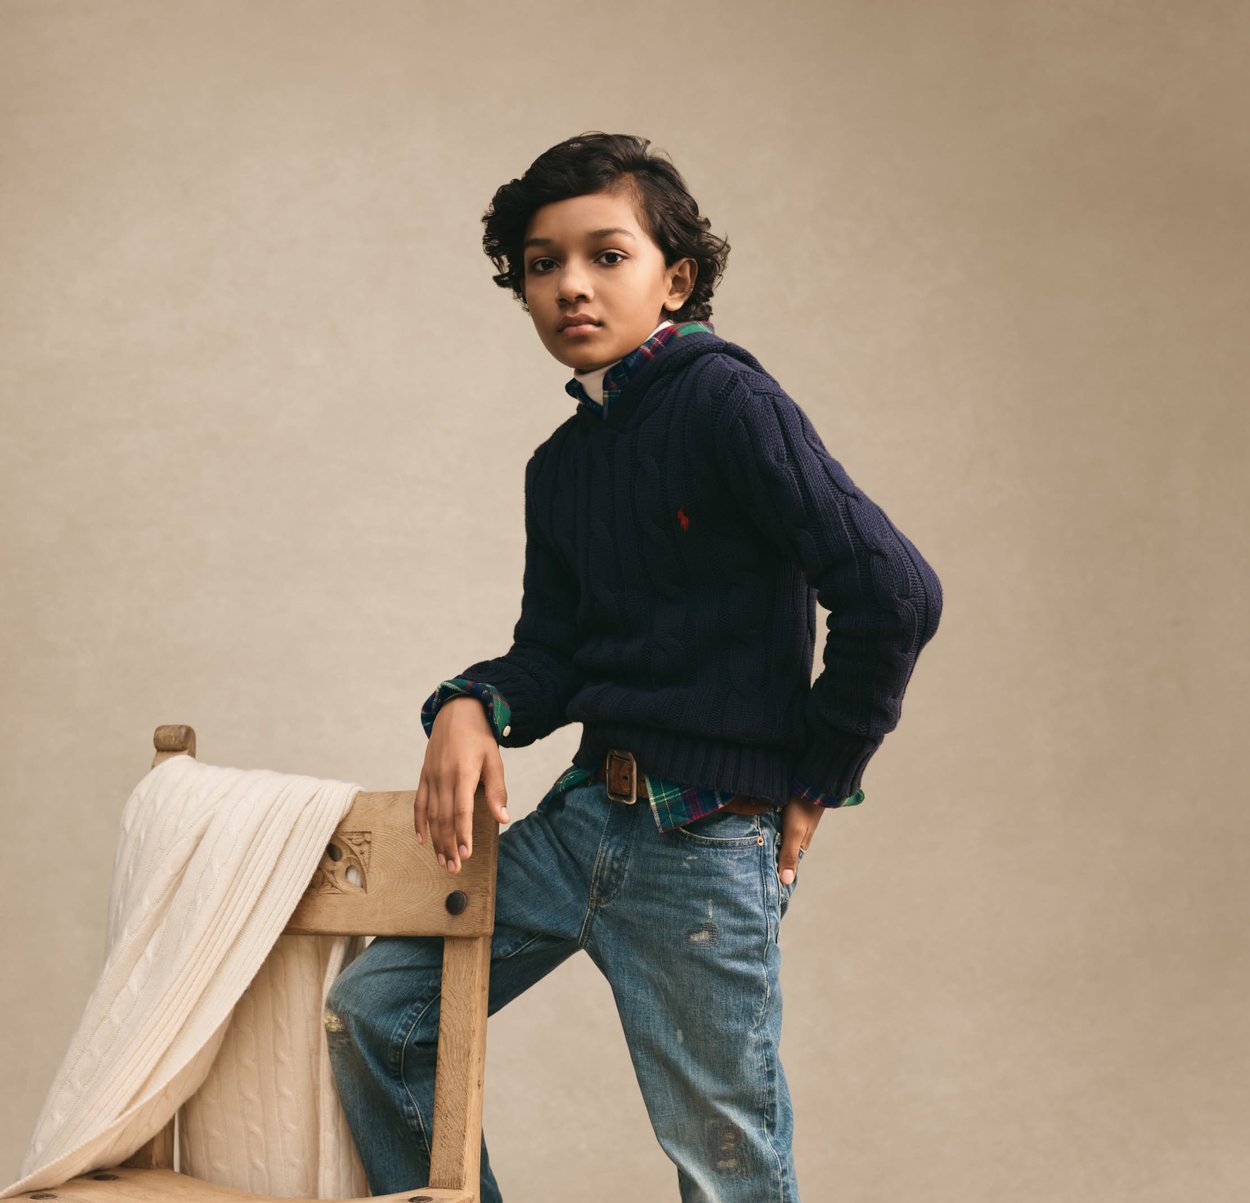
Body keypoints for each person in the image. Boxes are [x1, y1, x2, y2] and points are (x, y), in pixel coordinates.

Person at [325, 131, 943, 1203]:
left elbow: (895, 592)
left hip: (702, 843)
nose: (571, 285)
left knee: (725, 1164)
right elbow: (555, 654)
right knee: (375, 1012)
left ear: (676, 279)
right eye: (542, 264)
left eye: (606, 255)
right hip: (581, 824)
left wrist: (817, 775)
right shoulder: (561, 465)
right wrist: (470, 703)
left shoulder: (727, 403)